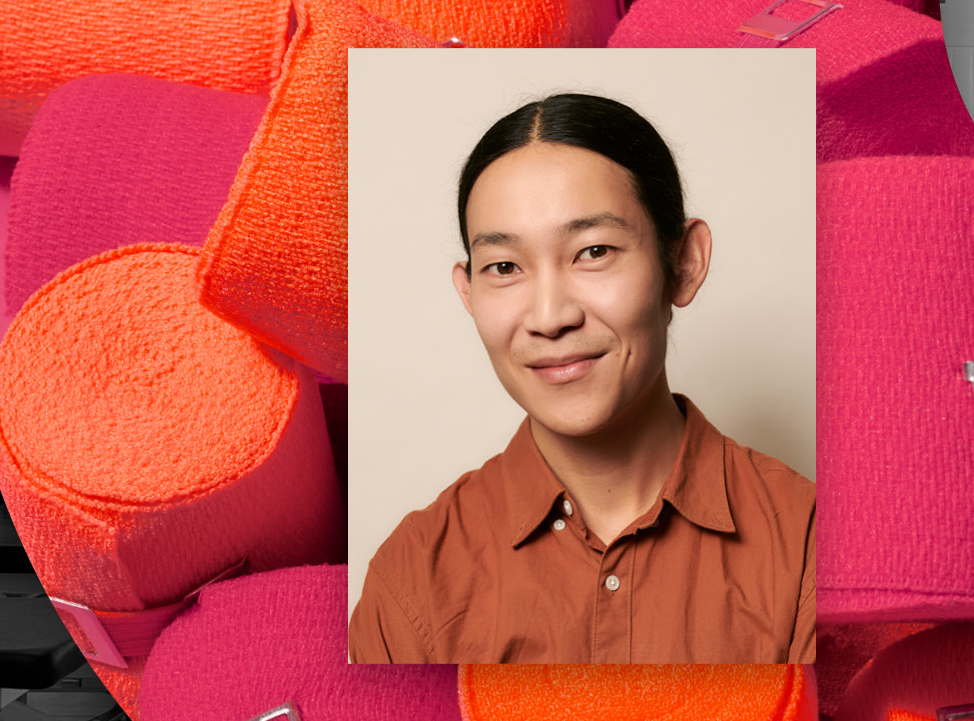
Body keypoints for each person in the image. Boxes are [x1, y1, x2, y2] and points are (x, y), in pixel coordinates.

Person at [349, 93, 815, 664]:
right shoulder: (412, 576)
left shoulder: (807, 540)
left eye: (593, 251)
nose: (550, 318)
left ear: (684, 263)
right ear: (467, 293)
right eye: (504, 267)